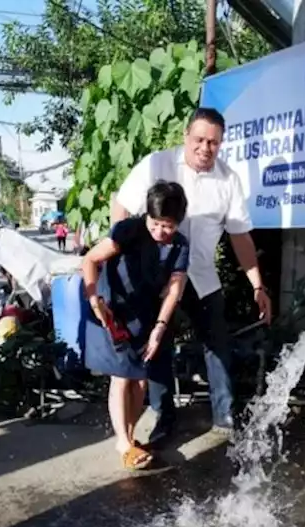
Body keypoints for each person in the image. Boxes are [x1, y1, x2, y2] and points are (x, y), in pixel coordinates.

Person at [111, 107, 271, 444]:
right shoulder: (158, 164)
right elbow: (122, 205)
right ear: (186, 136)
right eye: (199, 139)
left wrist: (257, 284)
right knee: (158, 348)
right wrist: (125, 255)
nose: (205, 148)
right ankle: (164, 417)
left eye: (213, 142)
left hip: (202, 276)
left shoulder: (228, 179)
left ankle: (225, 416)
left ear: (221, 144)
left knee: (217, 344)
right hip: (158, 279)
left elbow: (240, 235)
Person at [83, 182, 190, 470]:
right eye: (155, 224)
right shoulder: (128, 230)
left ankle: (129, 438)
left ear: (178, 222)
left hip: (147, 315)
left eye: (167, 226)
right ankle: (124, 443)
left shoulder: (179, 245)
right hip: (111, 311)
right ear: (147, 216)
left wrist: (160, 327)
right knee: (121, 376)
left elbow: (174, 289)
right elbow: (91, 259)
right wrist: (95, 299)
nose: (160, 232)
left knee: (140, 376)